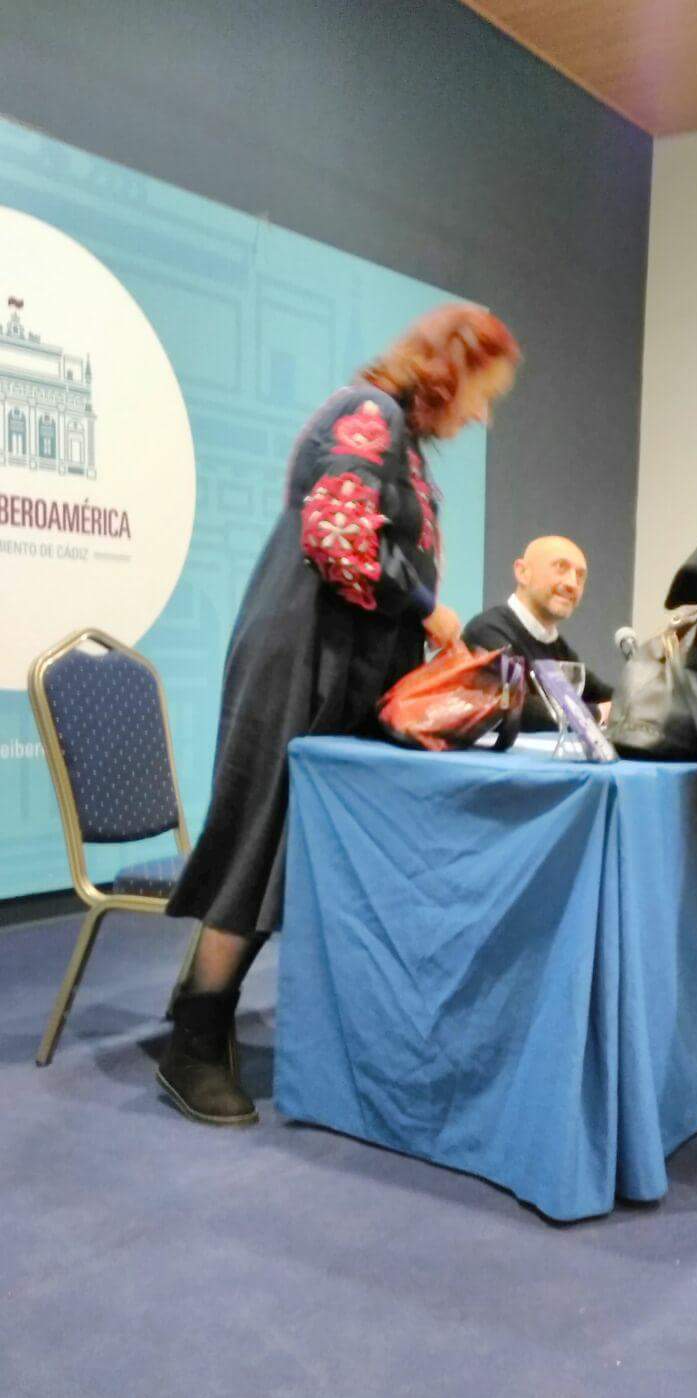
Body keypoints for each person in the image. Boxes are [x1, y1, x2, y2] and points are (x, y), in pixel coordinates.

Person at [161, 304, 521, 1127]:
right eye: (484, 393)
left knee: (306, 841)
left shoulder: (399, 436)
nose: (483, 414)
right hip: (301, 656)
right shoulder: (370, 413)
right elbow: (338, 538)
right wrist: (429, 610)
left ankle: (213, 1014)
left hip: (340, 662)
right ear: (451, 370)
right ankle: (194, 1039)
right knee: (263, 837)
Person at [463, 536, 612, 730]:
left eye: (580, 576)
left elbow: (607, 696)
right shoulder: (487, 632)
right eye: (561, 567)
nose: (572, 583)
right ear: (522, 572)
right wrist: (597, 713)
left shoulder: (557, 647)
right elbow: (511, 707)